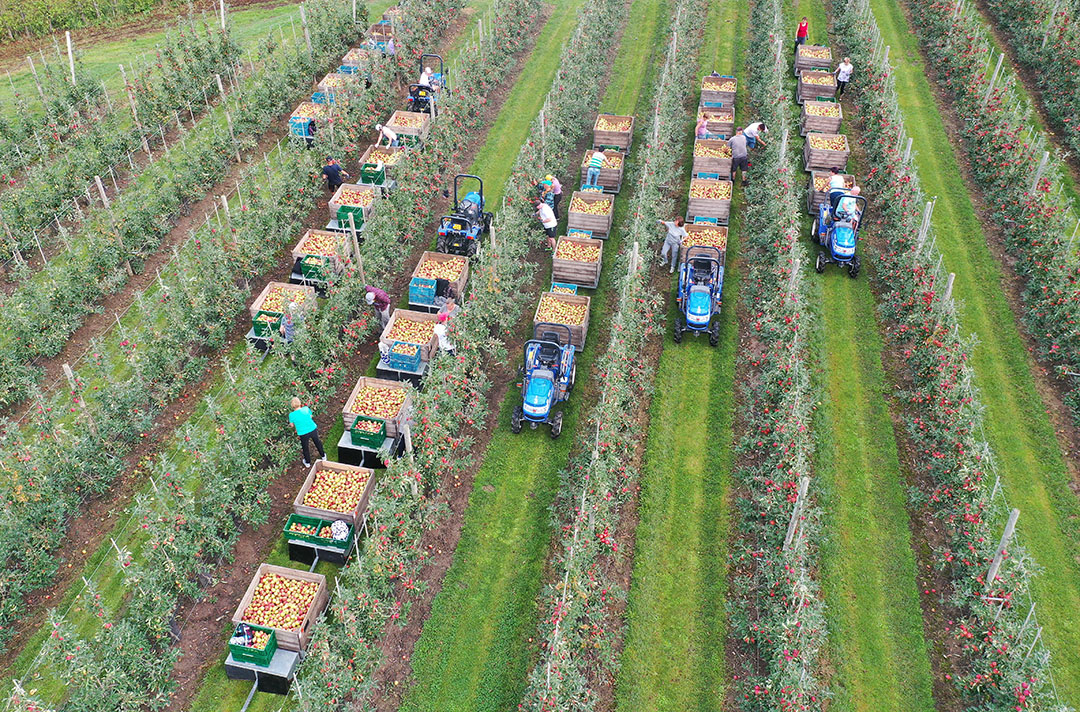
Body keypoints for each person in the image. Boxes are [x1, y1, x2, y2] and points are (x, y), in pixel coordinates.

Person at [289, 396, 325, 467]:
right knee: (317, 442)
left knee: (305, 447)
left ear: (292, 406)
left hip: (303, 433)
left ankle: (307, 462)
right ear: (300, 403)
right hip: (312, 428)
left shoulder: (291, 415)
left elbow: (292, 425)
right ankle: (323, 456)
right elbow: (310, 416)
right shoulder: (306, 409)